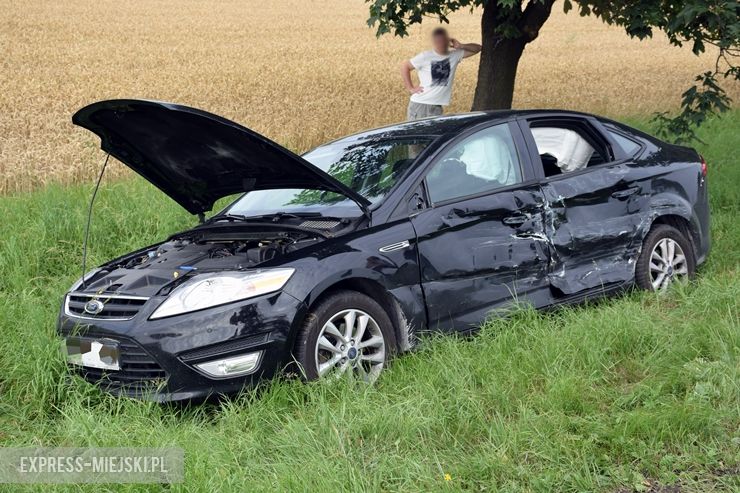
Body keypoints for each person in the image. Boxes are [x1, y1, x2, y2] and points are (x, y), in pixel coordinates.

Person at [401, 27, 481, 120]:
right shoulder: (425, 56)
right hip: (421, 104)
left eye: (443, 40)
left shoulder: (454, 55)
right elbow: (405, 66)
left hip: (436, 107)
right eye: (438, 41)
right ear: (434, 42)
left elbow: (478, 48)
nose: (441, 43)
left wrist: (461, 45)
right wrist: (410, 88)